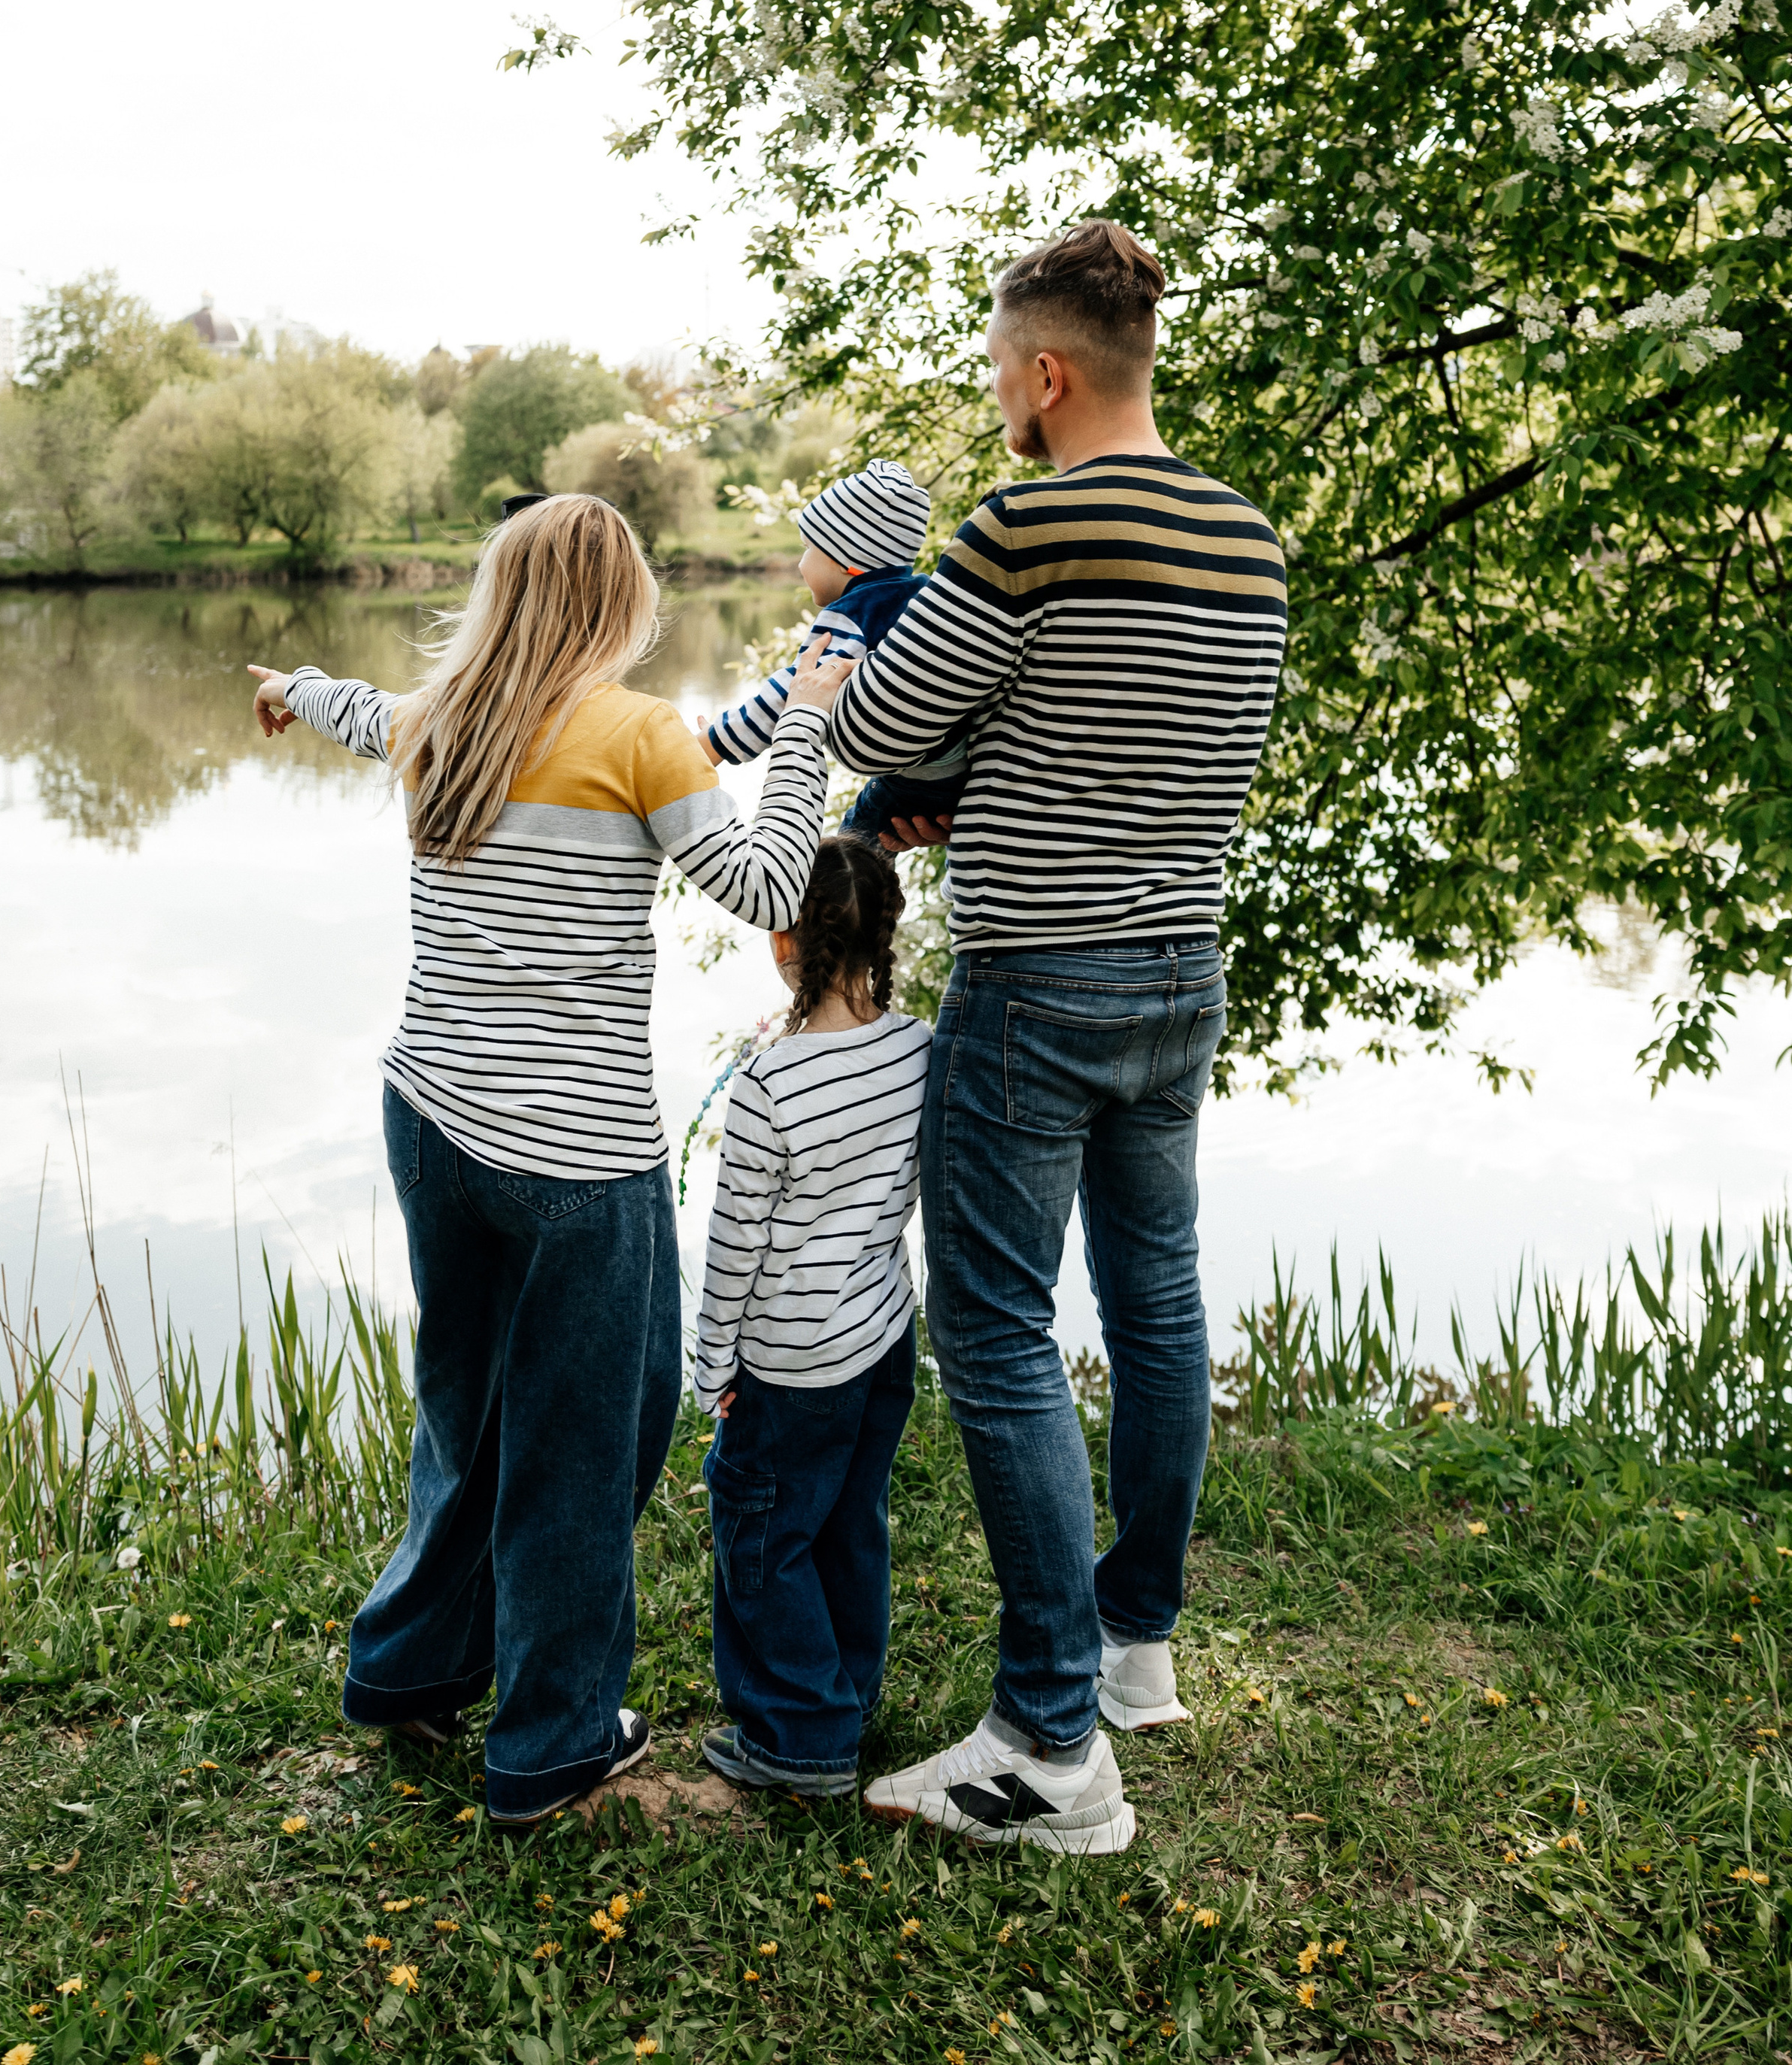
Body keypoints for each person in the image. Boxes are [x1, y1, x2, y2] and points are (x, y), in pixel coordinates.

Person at [245, 493, 851, 1824]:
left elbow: (357, 710)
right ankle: (553, 1742)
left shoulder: (437, 720)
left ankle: (407, 1669)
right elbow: (767, 892)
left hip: (431, 1120)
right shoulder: (639, 735)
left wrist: (291, 685)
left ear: (500, 593)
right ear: (620, 603)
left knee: (467, 1416)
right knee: (592, 1439)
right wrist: (803, 720)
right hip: (575, 1157)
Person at [830, 220, 1288, 1855]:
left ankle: (1043, 1747)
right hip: (1182, 966)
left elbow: (878, 720)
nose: (995, 398)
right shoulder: (1246, 537)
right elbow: (1134, 732)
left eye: (994, 370)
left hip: (1038, 978)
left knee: (1001, 1327)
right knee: (1155, 1299)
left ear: (1043, 371)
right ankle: (1131, 1649)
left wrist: (878, 700)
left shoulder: (1025, 521)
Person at [690, 835, 930, 1800]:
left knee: (764, 1537)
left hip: (789, 1365)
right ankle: (849, 1692)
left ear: (785, 939)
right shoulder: (916, 1046)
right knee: (848, 1522)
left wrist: (712, 1372)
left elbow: (733, 1252)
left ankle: (803, 1738)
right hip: (880, 1339)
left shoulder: (767, 1084)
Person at [699, 457, 967, 845]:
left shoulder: (855, 613)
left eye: (809, 549)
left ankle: (847, 907)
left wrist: (715, 743)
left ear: (847, 562)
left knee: (851, 851)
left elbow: (793, 690)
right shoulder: (923, 594)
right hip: (961, 770)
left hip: (918, 779)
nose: (799, 563)